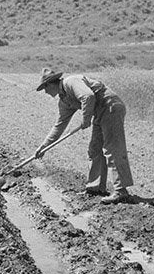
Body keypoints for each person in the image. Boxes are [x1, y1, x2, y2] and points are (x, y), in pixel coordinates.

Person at [33, 67, 137, 205]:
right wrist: (44, 147)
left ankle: (121, 191)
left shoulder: (71, 82)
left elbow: (88, 96)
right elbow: (59, 125)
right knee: (95, 149)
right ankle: (95, 188)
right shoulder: (64, 101)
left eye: (44, 88)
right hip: (99, 113)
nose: (45, 92)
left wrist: (86, 118)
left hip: (110, 107)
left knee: (112, 149)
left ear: (50, 83)